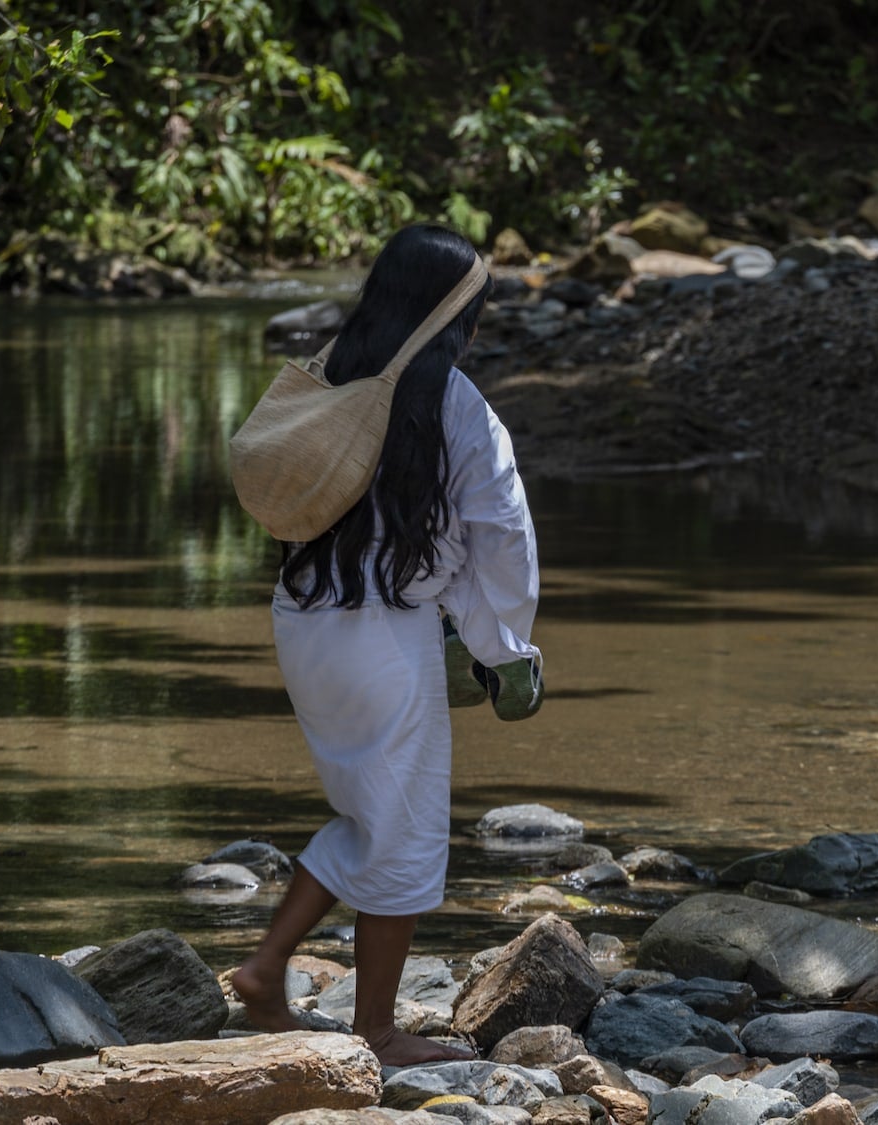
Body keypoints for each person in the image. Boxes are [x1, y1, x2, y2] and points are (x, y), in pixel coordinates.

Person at [230, 223, 541, 1066]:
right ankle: (375, 1028)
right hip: (383, 633)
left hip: (304, 618)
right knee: (403, 833)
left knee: (367, 814)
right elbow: (501, 534)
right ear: (454, 316)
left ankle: (264, 972)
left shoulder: (326, 373)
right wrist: (500, 643)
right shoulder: (457, 406)